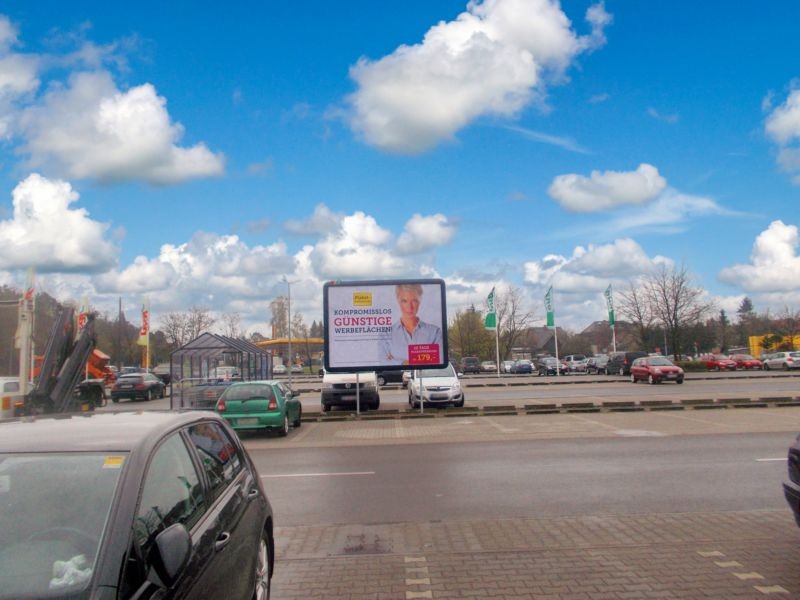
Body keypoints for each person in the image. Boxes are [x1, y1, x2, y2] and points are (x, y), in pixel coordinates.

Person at [380, 283, 442, 366]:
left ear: (420, 301)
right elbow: (383, 361)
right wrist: (424, 358)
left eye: (414, 301)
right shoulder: (385, 334)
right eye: (404, 301)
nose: (409, 307)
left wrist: (398, 361)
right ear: (398, 301)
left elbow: (438, 360)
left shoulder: (435, 332)